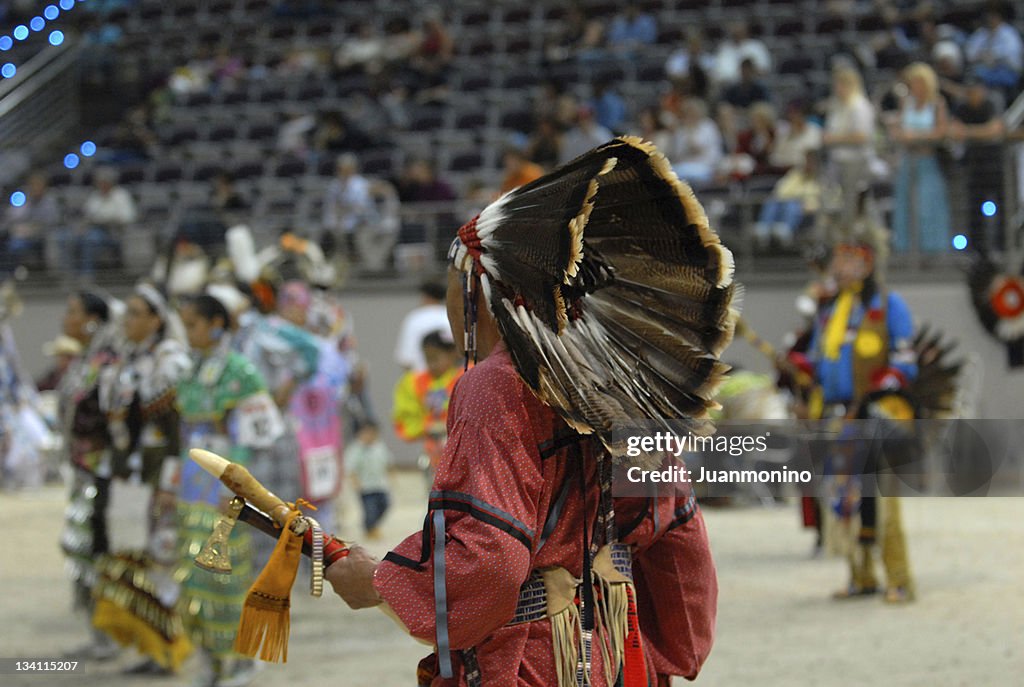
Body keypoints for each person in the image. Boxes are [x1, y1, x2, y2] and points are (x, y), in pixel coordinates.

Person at [325, 137, 723, 685]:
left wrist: (380, 581)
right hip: (615, 648)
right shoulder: (622, 374)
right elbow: (677, 527)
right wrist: (672, 651)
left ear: (478, 291)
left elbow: (490, 560)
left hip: (529, 662)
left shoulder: (495, 387)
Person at [807, 219, 917, 604]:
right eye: (838, 260)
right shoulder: (832, 311)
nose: (840, 268)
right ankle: (861, 575)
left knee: (882, 501)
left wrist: (883, 386)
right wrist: (802, 373)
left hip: (875, 415)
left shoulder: (888, 305)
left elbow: (906, 360)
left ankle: (899, 579)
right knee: (845, 499)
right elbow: (818, 361)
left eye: (849, 260)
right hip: (840, 416)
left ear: (867, 264)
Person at [175, 294, 279, 687]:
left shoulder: (240, 371)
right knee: (193, 570)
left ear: (217, 324)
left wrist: (235, 483)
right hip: (191, 481)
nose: (188, 333)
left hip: (224, 481)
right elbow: (181, 433)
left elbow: (255, 436)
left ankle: (240, 659)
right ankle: (211, 659)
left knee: (225, 571)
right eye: (184, 325)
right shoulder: (190, 370)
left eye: (193, 324)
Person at [90, 284, 193, 675]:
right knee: (132, 555)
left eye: (136, 313)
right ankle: (150, 645)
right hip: (127, 474)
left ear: (156, 320)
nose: (127, 320)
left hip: (158, 477)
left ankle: (171, 647)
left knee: (162, 556)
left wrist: (170, 481)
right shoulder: (122, 360)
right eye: (126, 312)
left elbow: (176, 430)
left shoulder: (170, 363)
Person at [58, 290, 120, 659]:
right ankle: (99, 631)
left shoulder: (108, 363)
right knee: (80, 547)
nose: (67, 319)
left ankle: (109, 634)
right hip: (84, 470)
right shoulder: (87, 361)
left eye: (73, 312)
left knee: (93, 547)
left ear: (93, 319)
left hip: (104, 472)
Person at [889, 62, 951, 255]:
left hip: (927, 161)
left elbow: (941, 132)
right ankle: (906, 249)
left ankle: (932, 249)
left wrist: (915, 136)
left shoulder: (937, 103)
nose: (915, 86)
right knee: (904, 204)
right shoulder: (905, 103)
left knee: (928, 205)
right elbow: (897, 130)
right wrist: (899, 133)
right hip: (908, 161)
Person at [392, 330, 462, 485]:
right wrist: (426, 427)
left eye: (436, 358)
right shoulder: (414, 382)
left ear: (453, 354)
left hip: (463, 455)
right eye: (427, 358)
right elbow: (405, 418)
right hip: (433, 455)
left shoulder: (465, 376)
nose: (432, 363)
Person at [949, 78, 1006, 251]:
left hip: (994, 165)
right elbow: (954, 131)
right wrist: (980, 132)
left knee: (1001, 207)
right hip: (973, 166)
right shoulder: (962, 107)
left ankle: (1001, 245)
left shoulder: (991, 104)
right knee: (974, 209)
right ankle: (977, 249)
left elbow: (995, 129)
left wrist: (969, 132)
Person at [822, 65, 877, 224]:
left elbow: (862, 136)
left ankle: (862, 240)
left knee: (856, 205)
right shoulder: (837, 107)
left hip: (856, 162)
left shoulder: (860, 106)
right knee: (837, 205)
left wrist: (834, 139)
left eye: (841, 84)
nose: (838, 89)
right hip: (837, 161)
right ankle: (844, 241)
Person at [71, 167, 138, 279]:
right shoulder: (95, 196)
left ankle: (87, 274)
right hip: (96, 230)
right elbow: (87, 215)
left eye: (104, 182)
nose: (102, 185)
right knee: (69, 237)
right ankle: (72, 274)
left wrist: (108, 219)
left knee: (90, 239)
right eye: (99, 182)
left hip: (115, 232)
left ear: (111, 182)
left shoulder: (121, 195)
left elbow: (128, 217)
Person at [754, 150, 826, 249]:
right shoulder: (796, 174)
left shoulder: (822, 179)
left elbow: (820, 200)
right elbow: (780, 189)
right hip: (784, 204)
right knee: (772, 201)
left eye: (810, 161)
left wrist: (803, 203)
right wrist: (791, 197)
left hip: (804, 211)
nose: (807, 164)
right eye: (806, 161)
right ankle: (763, 229)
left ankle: (785, 230)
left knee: (792, 205)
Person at [1, 172, 60, 276]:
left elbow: (51, 222)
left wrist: (32, 228)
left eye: (38, 185)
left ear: (44, 187)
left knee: (16, 244)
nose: (35, 188)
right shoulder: (25, 199)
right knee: (13, 243)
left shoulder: (50, 201)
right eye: (32, 186)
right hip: (26, 236)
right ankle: (9, 276)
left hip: (44, 236)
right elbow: (12, 216)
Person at [322, 153, 378, 259]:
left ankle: (353, 257)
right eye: (341, 169)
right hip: (340, 222)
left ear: (353, 169)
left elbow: (362, 208)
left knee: (351, 231)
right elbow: (329, 207)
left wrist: (346, 211)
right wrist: (332, 221)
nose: (344, 172)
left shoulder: (362, 184)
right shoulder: (334, 185)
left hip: (362, 221)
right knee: (329, 231)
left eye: (347, 169)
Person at [344, 422, 393, 539]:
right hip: (365, 487)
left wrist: (392, 477)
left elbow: (388, 462)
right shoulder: (355, 449)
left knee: (385, 505)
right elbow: (350, 468)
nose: (369, 436)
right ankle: (369, 529)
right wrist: (355, 482)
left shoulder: (379, 446)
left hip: (380, 485)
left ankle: (373, 526)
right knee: (370, 510)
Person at [964, 1, 1023, 97]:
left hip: (1006, 71)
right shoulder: (981, 33)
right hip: (984, 70)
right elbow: (969, 54)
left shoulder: (1009, 33)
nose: (990, 19)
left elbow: (1013, 58)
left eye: (993, 16)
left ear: (999, 17)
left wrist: (994, 56)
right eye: (988, 16)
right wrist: (981, 55)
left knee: (985, 76)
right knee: (974, 74)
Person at [395, 280, 450, 371]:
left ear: (426, 297)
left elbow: (405, 359)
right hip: (450, 378)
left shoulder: (414, 318)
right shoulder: (449, 316)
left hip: (419, 378)